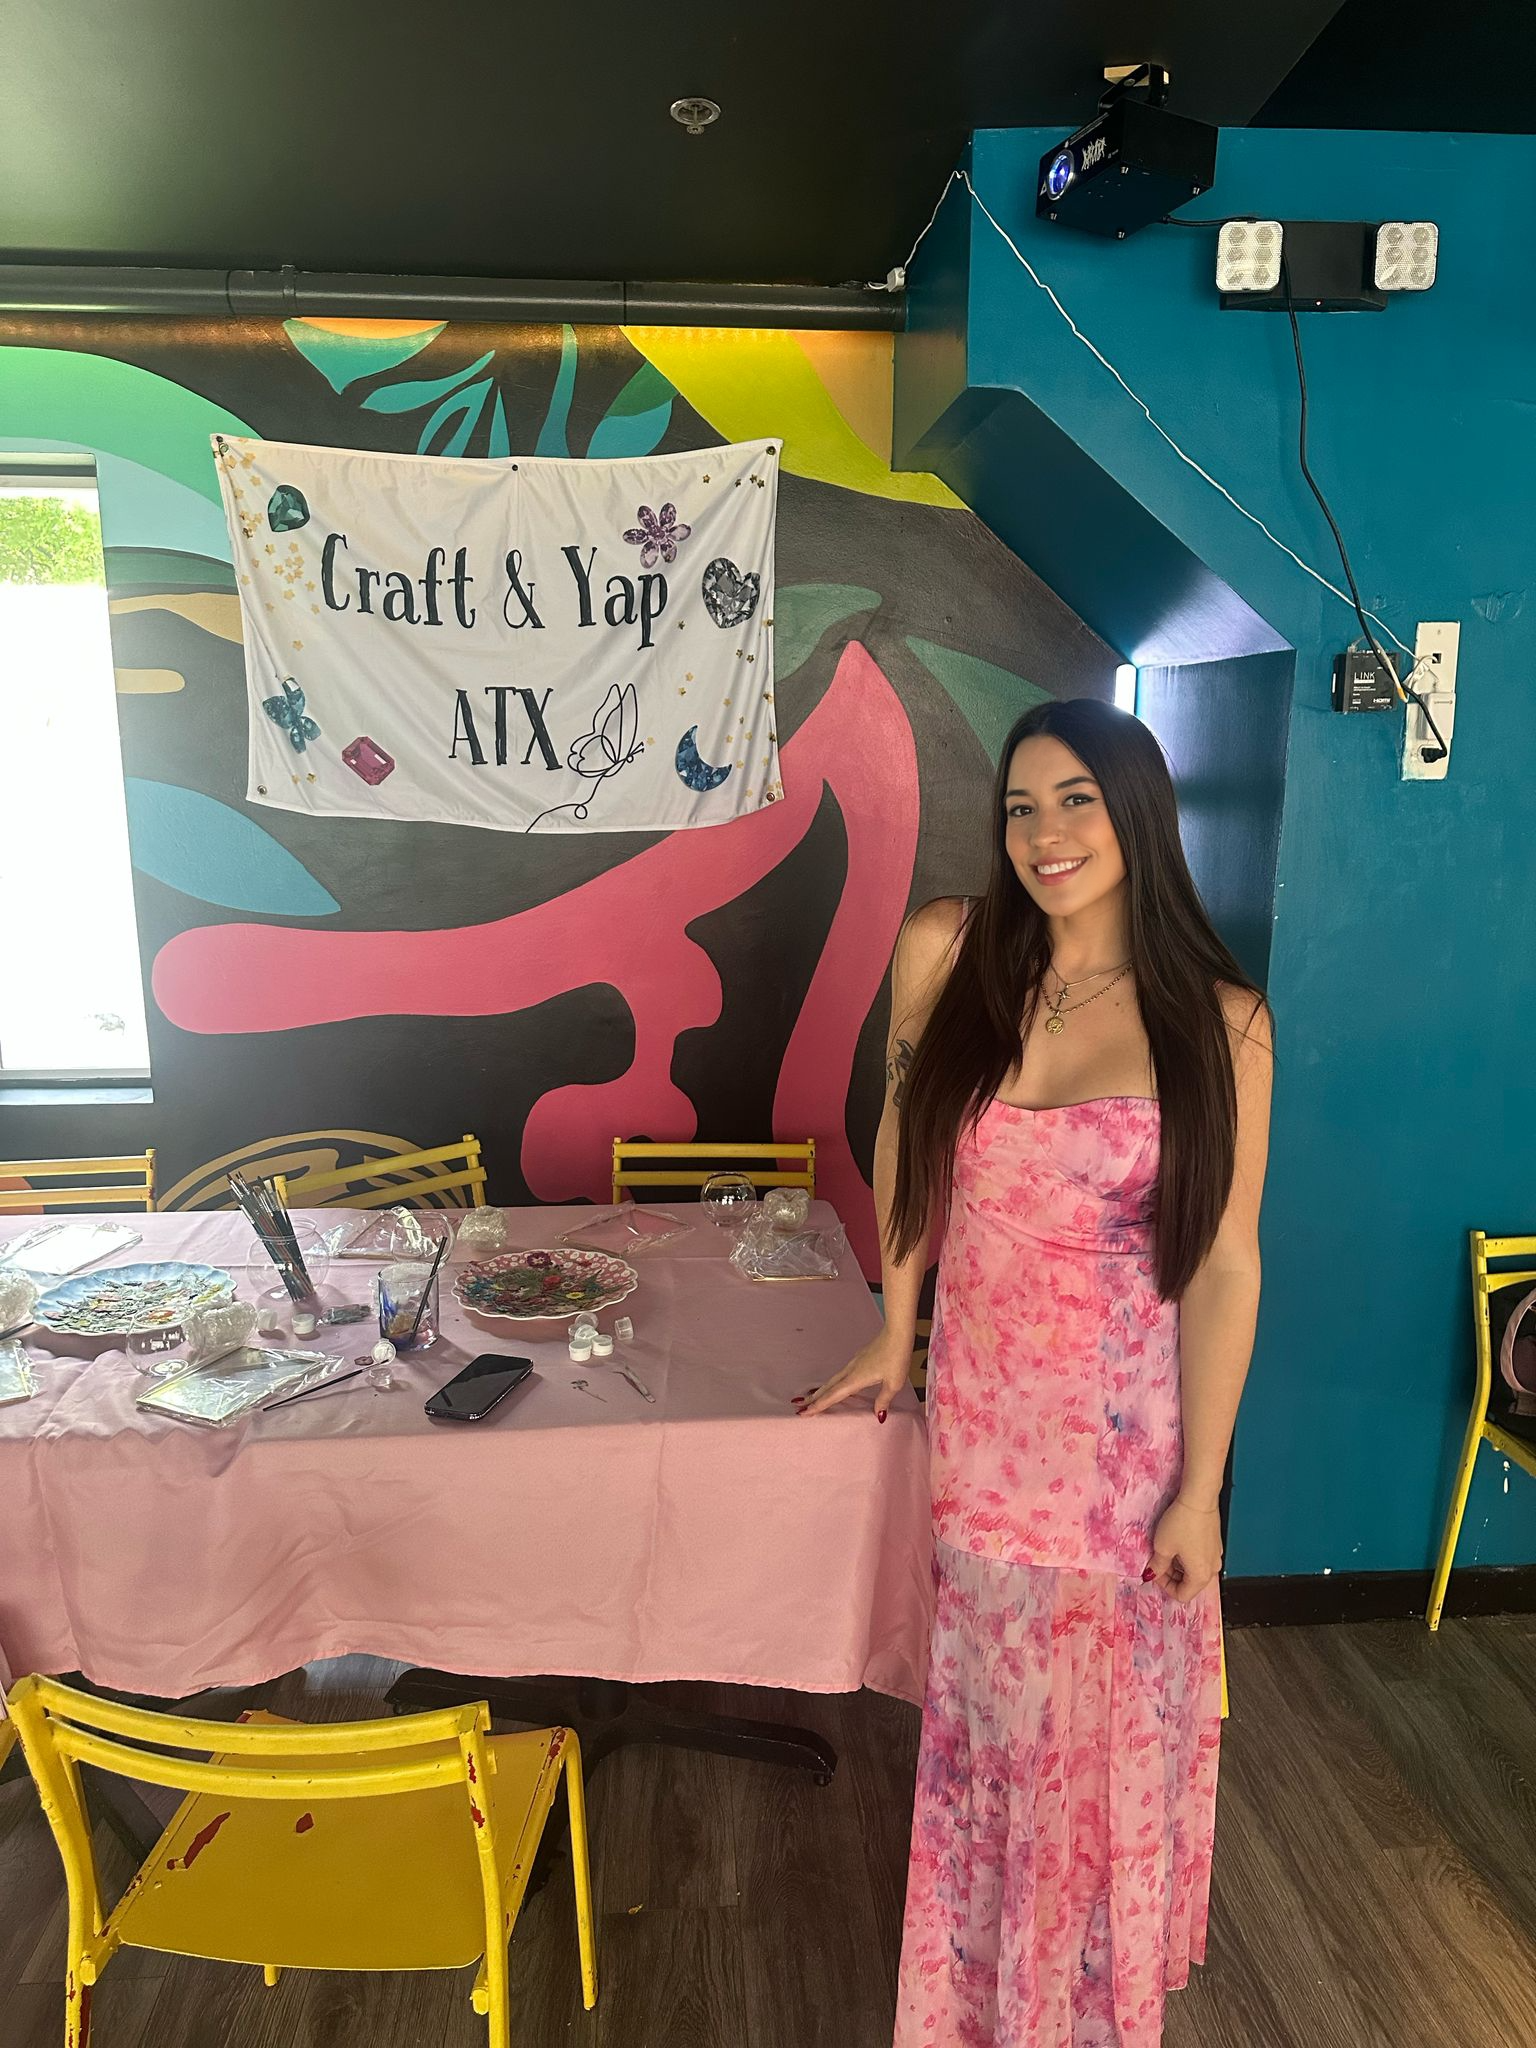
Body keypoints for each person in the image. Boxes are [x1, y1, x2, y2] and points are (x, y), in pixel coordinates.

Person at [798, 697, 1272, 2046]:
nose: (1046, 834)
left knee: (1102, 1755)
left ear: (1141, 815)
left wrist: (1201, 1492)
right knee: (1000, 1742)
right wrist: (900, 1328)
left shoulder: (1223, 1023)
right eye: (1022, 806)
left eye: (1078, 800)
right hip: (986, 1437)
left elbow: (1227, 1263)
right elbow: (903, 1145)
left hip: (1123, 1469)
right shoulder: (948, 953)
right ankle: (987, 2006)